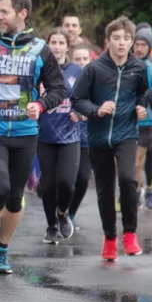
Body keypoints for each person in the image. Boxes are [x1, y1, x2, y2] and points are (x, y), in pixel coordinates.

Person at [0, 0, 66, 274]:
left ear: (22, 13)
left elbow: (58, 89)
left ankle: (3, 250)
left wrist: (41, 104)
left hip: (25, 133)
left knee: (15, 196)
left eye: (4, 12)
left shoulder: (40, 50)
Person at [70, 16, 152, 262]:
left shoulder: (138, 68)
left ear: (132, 41)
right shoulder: (94, 69)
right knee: (105, 189)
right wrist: (97, 110)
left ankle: (130, 234)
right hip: (98, 136)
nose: (121, 43)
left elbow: (144, 93)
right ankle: (109, 238)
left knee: (127, 179)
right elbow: (77, 100)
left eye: (126, 38)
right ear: (108, 41)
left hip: (126, 133)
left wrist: (141, 107)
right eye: (117, 38)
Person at [37, 28, 83, 244]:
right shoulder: (39, 70)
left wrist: (80, 112)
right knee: (48, 185)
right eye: (52, 42)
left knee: (67, 182)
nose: (56, 47)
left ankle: (63, 212)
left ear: (67, 46)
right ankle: (51, 226)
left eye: (60, 43)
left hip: (69, 136)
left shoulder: (76, 71)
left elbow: (85, 97)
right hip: (44, 135)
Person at [133, 23, 152, 210]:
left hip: (150, 120)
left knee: (148, 156)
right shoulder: (128, 63)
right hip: (132, 118)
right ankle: (137, 191)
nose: (139, 48)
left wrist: (146, 102)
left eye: (143, 44)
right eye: (137, 44)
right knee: (136, 160)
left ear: (149, 46)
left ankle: (148, 190)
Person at [67, 43, 94, 230]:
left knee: (83, 177)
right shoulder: (65, 78)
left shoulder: (96, 78)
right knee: (66, 178)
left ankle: (71, 213)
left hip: (87, 136)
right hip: (66, 135)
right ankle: (60, 210)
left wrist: (90, 111)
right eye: (78, 59)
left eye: (85, 59)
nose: (82, 62)